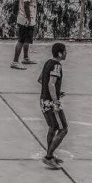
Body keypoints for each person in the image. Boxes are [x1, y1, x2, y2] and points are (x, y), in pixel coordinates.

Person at [39, 42, 68, 170]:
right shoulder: (57, 65)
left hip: (43, 101)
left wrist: (55, 91)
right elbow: (51, 84)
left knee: (53, 126)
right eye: (65, 51)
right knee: (63, 129)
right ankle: (49, 157)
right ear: (60, 53)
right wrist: (55, 100)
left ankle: (50, 154)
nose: (66, 53)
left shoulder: (47, 63)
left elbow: (40, 80)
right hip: (51, 103)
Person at [10, 0, 41, 70]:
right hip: (25, 19)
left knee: (27, 39)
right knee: (21, 40)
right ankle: (15, 62)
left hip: (28, 18)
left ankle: (26, 58)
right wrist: (28, 18)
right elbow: (26, 4)